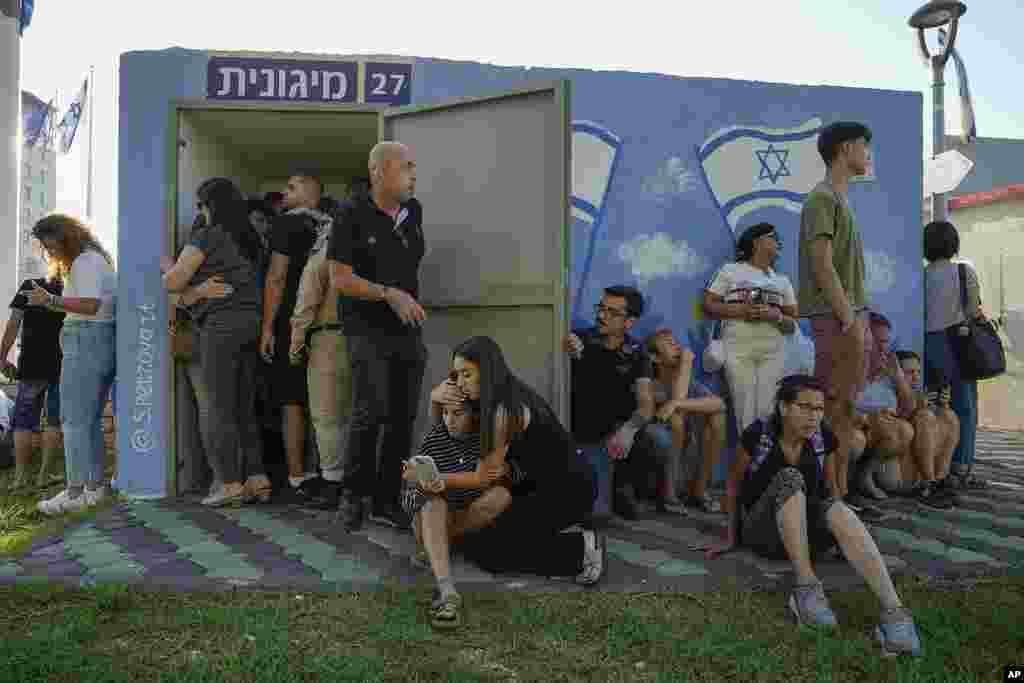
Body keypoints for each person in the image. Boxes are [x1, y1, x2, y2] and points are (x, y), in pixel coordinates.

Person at [710, 375, 921, 656]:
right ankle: (806, 589)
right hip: (764, 534)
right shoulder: (758, 435)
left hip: (808, 538)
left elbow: (831, 493)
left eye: (819, 409)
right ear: (784, 408)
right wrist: (729, 536)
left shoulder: (823, 437)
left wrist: (843, 540)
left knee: (834, 506)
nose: (814, 416)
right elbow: (734, 485)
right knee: (789, 477)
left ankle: (894, 614)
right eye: (805, 407)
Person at [429, 336, 606, 586]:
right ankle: (542, 533)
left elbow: (482, 477)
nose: (459, 383)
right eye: (456, 375)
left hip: (567, 489)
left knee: (490, 552)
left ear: (487, 372)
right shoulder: (487, 399)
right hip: (529, 483)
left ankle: (581, 550)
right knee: (479, 532)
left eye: (466, 374)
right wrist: (435, 401)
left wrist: (445, 529)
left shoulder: (505, 410)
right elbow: (446, 444)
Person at [328, 142, 427, 531]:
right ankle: (353, 496)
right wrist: (389, 293)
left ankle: (388, 499)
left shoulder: (413, 211)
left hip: (406, 330)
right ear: (378, 171)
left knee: (403, 417)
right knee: (370, 411)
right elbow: (339, 278)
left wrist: (405, 299)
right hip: (366, 328)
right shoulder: (350, 214)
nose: (413, 174)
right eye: (406, 167)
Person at [162, 178, 267, 507]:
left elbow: (173, 281)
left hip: (221, 327)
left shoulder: (208, 235)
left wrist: (169, 270)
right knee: (244, 406)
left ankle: (229, 484)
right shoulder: (251, 239)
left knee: (219, 407)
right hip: (251, 324)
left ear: (209, 206)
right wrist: (199, 290)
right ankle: (256, 479)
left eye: (200, 205)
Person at [798, 121, 874, 501]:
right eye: (864, 146)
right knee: (830, 409)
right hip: (836, 318)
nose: (868, 153)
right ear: (845, 149)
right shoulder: (821, 199)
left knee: (844, 409)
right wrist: (848, 317)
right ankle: (828, 496)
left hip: (850, 315)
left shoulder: (839, 200)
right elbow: (822, 266)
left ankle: (839, 494)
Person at [400, 395, 515, 629]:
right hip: (429, 519)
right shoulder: (435, 439)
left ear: (473, 415)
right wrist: (420, 485)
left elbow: (496, 482)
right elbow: (409, 503)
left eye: (457, 414)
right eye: (445, 413)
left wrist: (499, 473)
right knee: (435, 503)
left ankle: (441, 544)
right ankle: (446, 590)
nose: (449, 420)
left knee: (501, 495)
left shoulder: (484, 441)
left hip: (460, 518)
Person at [30, 215, 117, 515]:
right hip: (97, 340)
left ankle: (75, 490)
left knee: (73, 420)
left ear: (63, 236)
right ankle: (92, 490)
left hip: (86, 339)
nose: (47, 251)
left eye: (48, 244)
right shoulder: (96, 260)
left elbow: (90, 305)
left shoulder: (85, 262)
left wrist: (49, 301)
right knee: (88, 420)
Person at [564, 285, 656, 521]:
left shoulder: (637, 351)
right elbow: (567, 345)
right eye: (601, 308)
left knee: (654, 439)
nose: (601, 316)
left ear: (629, 322)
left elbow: (646, 404)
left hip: (615, 435)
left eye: (612, 312)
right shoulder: (580, 340)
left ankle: (624, 487)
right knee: (596, 515)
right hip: (583, 434)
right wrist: (570, 352)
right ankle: (606, 491)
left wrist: (629, 430)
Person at [262, 173, 327, 500]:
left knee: (292, 400)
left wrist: (268, 327)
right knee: (325, 398)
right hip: (328, 325)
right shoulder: (332, 225)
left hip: (292, 321)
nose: (285, 192)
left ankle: (297, 476)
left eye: (292, 187)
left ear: (311, 191)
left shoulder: (285, 225)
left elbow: (276, 277)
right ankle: (325, 472)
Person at [705, 222, 798, 434]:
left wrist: (776, 315)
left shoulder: (782, 280)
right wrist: (743, 311)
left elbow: (793, 324)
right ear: (756, 242)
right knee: (744, 411)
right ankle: (749, 464)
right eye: (773, 237)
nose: (778, 242)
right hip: (738, 347)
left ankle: (765, 462)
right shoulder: (731, 270)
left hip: (774, 350)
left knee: (768, 411)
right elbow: (709, 305)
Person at [289, 197, 349, 509]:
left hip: (328, 338)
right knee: (357, 415)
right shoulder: (363, 250)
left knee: (327, 416)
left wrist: (296, 345)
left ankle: (332, 484)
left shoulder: (324, 253)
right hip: (363, 339)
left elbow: (306, 303)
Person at [922, 220, 988, 491]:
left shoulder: (921, 276)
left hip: (927, 344)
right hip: (958, 342)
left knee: (930, 406)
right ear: (954, 244)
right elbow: (973, 311)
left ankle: (933, 466)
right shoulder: (964, 272)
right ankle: (961, 468)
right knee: (964, 406)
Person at [642, 329, 727, 513]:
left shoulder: (691, 384)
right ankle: (668, 497)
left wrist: (676, 403)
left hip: (687, 463)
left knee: (717, 416)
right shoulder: (651, 385)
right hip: (660, 470)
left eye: (676, 342)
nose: (677, 346)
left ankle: (700, 491)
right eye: (668, 343)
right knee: (676, 420)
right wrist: (686, 364)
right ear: (655, 358)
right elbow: (675, 408)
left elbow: (720, 404)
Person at [1, 275, 65, 490]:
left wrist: (1, 357)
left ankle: (20, 478)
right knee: (54, 421)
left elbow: (13, 324)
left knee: (23, 421)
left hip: (31, 364)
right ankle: (43, 476)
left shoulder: (30, 286)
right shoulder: (70, 287)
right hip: (60, 363)